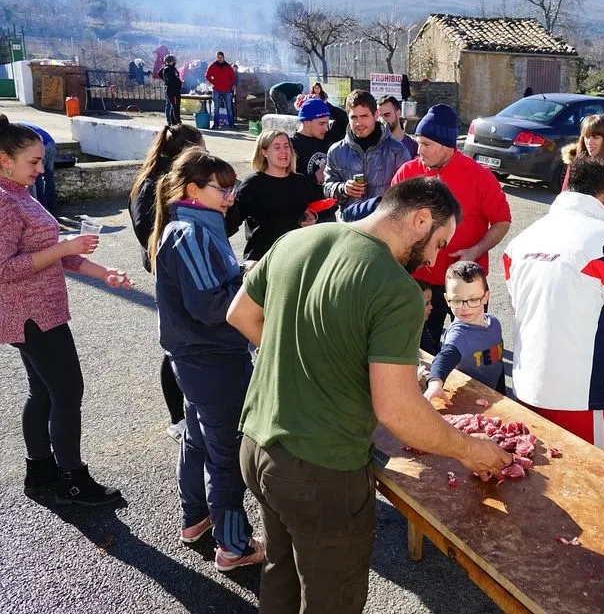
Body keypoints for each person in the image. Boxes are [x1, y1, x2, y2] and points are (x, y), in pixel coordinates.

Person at [227, 177, 512, 613]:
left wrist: (305, 362)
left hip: (257, 446)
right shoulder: (396, 288)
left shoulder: (296, 240)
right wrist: (469, 449)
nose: (435, 258)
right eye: (439, 243)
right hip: (322, 471)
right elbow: (397, 410)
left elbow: (241, 314)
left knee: (280, 574)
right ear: (420, 219)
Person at [0, 114, 131, 505]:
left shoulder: (20, 193)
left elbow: (53, 254)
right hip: (31, 315)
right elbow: (5, 269)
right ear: (5, 161)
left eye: (41, 161)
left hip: (39, 313)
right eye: (34, 162)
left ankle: (40, 473)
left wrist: (103, 272)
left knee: (42, 392)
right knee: (67, 392)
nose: (41, 169)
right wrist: (64, 247)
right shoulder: (5, 201)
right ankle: (73, 480)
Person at [149, 147, 264, 572]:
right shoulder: (191, 233)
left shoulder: (195, 228)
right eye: (223, 189)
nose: (230, 197)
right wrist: (256, 285)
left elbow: (212, 286)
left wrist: (244, 271)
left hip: (200, 359)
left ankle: (195, 518)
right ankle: (233, 546)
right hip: (212, 360)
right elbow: (212, 304)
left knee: (198, 438)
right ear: (193, 191)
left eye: (232, 188)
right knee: (226, 453)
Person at [504, 157, 604, 452]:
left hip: (525, 382)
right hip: (580, 394)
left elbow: (520, 305)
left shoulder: (521, 241)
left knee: (533, 470)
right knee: (590, 475)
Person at [391, 104, 511, 353]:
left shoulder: (479, 176)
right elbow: (390, 220)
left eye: (426, 144)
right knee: (420, 352)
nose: (419, 150)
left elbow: (502, 221)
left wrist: (475, 251)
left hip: (466, 283)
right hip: (419, 284)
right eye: (418, 143)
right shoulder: (408, 172)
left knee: (473, 353)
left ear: (446, 145)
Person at [128, 123, 204, 440]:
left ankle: (192, 407)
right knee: (175, 345)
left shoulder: (173, 178)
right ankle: (177, 419)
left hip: (183, 267)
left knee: (188, 338)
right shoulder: (153, 184)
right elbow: (147, 232)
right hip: (171, 270)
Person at [229, 130, 334, 262]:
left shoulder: (300, 181)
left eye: (286, 146)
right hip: (262, 259)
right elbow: (230, 223)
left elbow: (310, 210)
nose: (284, 151)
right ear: (264, 152)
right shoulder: (252, 184)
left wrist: (311, 217)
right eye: (277, 147)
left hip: (295, 257)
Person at [424, 261, 506, 401]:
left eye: (473, 299)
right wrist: (435, 382)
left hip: (493, 397)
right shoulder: (458, 334)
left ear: (486, 297)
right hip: (469, 401)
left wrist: (502, 394)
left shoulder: (494, 324)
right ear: (447, 299)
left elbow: (498, 365)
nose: (465, 307)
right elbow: (444, 357)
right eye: (457, 300)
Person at [324, 89, 411, 212]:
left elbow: (408, 193)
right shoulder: (336, 151)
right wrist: (343, 189)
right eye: (354, 117)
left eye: (364, 116)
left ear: (376, 115)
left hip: (384, 221)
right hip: (350, 221)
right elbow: (327, 188)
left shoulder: (397, 150)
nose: (359, 123)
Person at [290, 98, 333, 192]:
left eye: (327, 123)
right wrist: (315, 178)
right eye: (321, 124)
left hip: (329, 199)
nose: (326, 128)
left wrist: (326, 104)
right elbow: (286, 183)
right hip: (305, 200)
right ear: (307, 122)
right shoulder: (291, 145)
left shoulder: (326, 138)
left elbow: (344, 120)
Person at [20, 123, 57, 216]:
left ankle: (42, 206)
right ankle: (52, 203)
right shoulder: (20, 125)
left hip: (43, 147)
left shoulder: (13, 131)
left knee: (36, 177)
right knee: (49, 174)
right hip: (51, 144)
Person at [204, 51, 237, 129]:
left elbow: (233, 77)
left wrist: (230, 84)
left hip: (227, 90)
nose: (219, 59)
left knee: (229, 108)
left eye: (221, 57)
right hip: (216, 89)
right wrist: (213, 82)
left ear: (223, 57)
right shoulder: (212, 66)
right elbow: (207, 75)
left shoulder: (228, 66)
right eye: (218, 57)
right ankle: (215, 124)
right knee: (216, 108)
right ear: (216, 58)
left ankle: (231, 124)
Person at [159, 54, 182, 126]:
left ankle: (174, 122)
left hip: (175, 90)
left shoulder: (172, 68)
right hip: (172, 90)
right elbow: (172, 80)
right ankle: (177, 122)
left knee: (174, 107)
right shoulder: (167, 69)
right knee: (175, 107)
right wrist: (179, 82)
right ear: (171, 61)